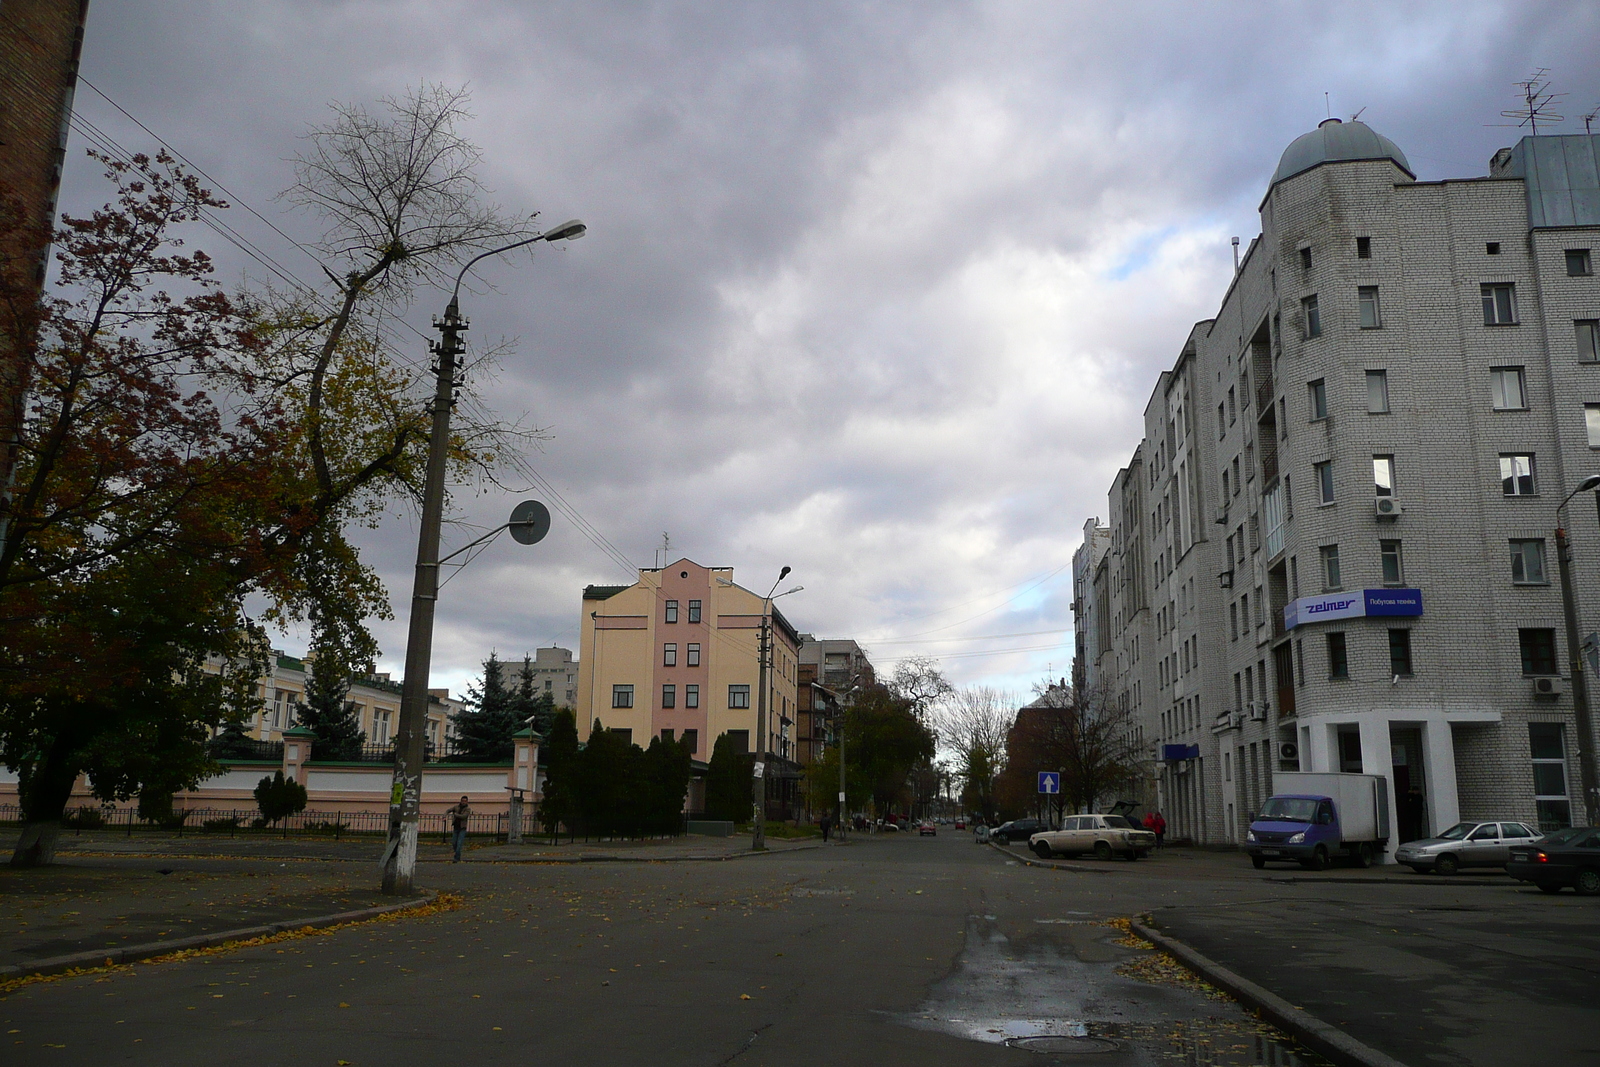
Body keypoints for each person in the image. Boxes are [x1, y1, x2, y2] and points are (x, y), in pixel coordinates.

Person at [450, 795, 472, 862]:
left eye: (465, 801)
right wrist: (445, 815)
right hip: (456, 827)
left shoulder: (468, 809)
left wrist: (456, 815)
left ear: (467, 802)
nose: (463, 802)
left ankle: (456, 858)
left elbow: (464, 816)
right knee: (454, 842)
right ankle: (457, 853)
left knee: (459, 843)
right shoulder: (456, 807)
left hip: (462, 828)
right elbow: (449, 810)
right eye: (462, 801)